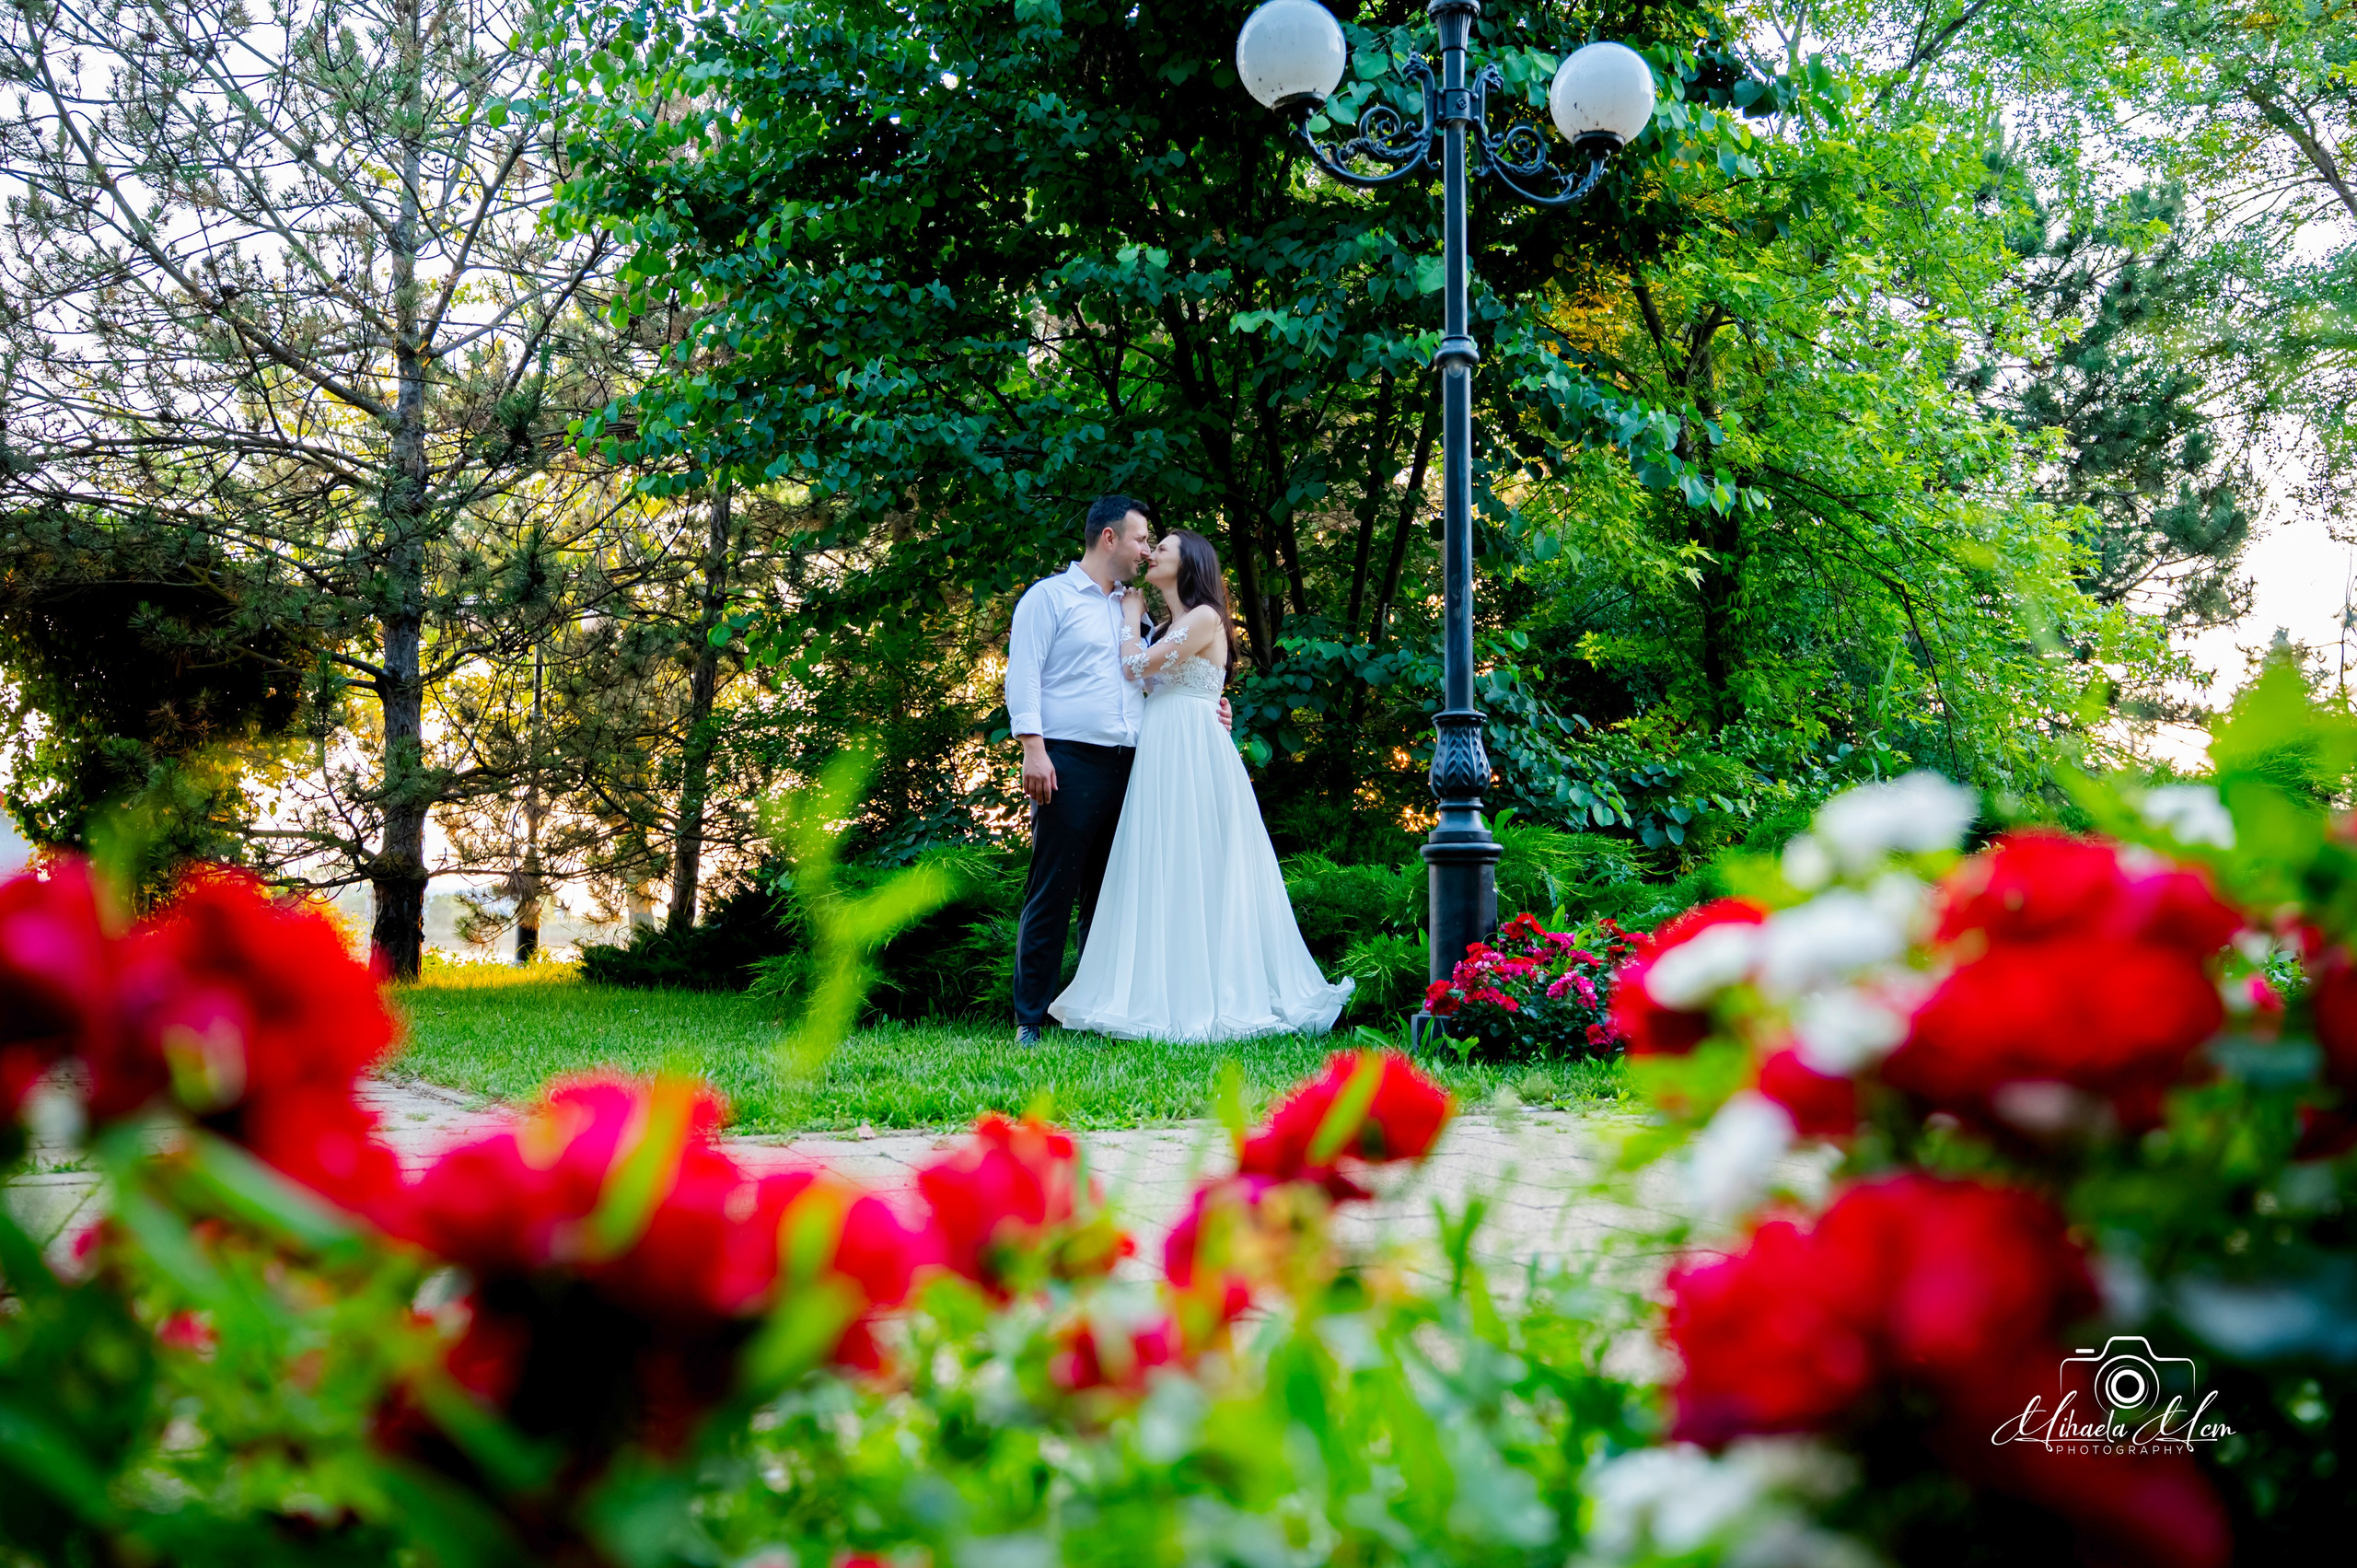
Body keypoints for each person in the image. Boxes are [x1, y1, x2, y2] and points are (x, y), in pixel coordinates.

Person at [1049, 530, 1353, 1042]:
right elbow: (1152, 679)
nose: (1151, 553)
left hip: (1193, 750)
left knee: (1204, 863)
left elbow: (1136, 667)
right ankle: (1164, 992)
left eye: (1162, 548)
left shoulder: (1206, 615)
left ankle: (1218, 995)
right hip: (1162, 748)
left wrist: (1127, 621)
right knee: (1166, 864)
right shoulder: (1168, 624)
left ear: (1188, 563)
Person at [1004, 496, 1229, 1044]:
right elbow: (1024, 676)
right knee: (1053, 890)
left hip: (1140, 765)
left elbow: (1156, 681)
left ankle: (1095, 1013)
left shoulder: (1141, 614)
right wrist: (1034, 748)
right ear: (1109, 538)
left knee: (1116, 896)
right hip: (1070, 759)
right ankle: (1030, 1019)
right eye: (1140, 539)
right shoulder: (1048, 599)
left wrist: (1212, 705)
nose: (1146, 550)